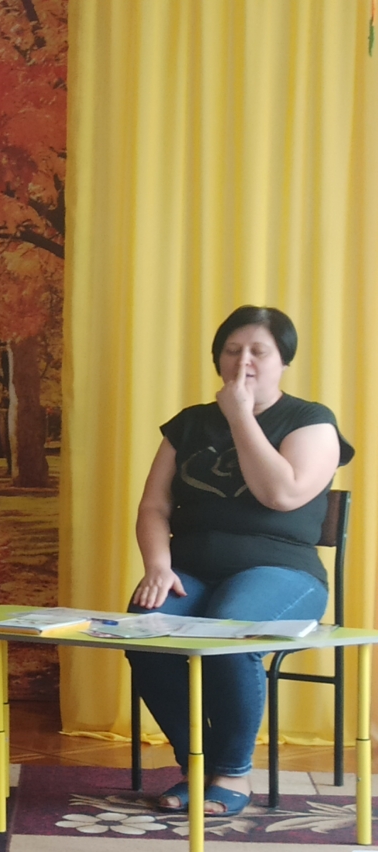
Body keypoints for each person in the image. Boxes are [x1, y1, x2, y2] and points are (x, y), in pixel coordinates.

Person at [127, 305, 354, 816]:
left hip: (283, 574)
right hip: (193, 571)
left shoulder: (311, 421)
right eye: (232, 350)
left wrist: (240, 417)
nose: (243, 360)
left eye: (259, 351)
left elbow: (281, 494)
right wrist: (158, 565)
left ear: (283, 361)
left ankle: (233, 772)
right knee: (143, 629)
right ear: (218, 358)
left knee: (232, 631)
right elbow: (154, 506)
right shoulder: (189, 424)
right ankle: (198, 765)